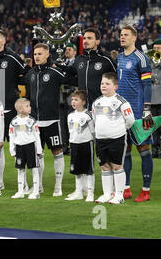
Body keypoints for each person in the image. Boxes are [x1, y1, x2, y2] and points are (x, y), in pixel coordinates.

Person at [0, 29, 30, 190]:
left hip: (9, 109)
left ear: (4, 41)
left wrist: (20, 93)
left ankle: (23, 183)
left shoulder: (12, 58)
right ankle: (0, 182)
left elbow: (28, 74)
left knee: (18, 145)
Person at [24, 43, 73, 197]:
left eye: (40, 54)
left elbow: (73, 79)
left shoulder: (55, 72)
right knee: (37, 154)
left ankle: (58, 187)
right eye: (35, 54)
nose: (36, 57)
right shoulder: (30, 73)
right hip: (34, 121)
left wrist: (62, 67)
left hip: (52, 120)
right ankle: (38, 186)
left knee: (57, 152)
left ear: (47, 55)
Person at [117, 25, 155, 202]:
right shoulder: (118, 58)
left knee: (144, 149)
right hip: (121, 113)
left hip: (139, 112)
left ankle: (146, 190)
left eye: (126, 35)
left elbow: (147, 85)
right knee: (125, 149)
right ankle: (126, 188)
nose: (122, 37)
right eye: (121, 35)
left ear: (134, 37)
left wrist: (147, 109)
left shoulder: (141, 58)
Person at [92, 73, 135, 204]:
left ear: (115, 86)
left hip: (117, 139)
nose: (103, 86)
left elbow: (130, 121)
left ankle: (119, 195)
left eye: (107, 84)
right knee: (104, 166)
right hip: (100, 139)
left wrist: (118, 130)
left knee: (117, 166)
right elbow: (95, 119)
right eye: (102, 83)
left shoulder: (122, 102)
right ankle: (107, 194)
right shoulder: (96, 102)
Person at [65, 90, 95, 202]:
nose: (73, 102)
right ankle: (78, 192)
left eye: (76, 100)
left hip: (87, 144)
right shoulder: (70, 116)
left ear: (83, 102)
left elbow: (93, 131)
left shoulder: (88, 115)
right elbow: (70, 131)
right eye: (72, 99)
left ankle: (90, 192)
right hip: (74, 145)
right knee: (76, 170)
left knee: (88, 170)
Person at [9, 98, 42, 200]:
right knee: (20, 169)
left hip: (31, 146)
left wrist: (39, 149)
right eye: (27, 106)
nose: (30, 108)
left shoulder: (32, 121)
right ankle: (20, 191)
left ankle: (36, 192)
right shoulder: (14, 121)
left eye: (29, 106)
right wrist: (12, 149)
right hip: (19, 147)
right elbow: (12, 136)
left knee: (34, 169)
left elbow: (37, 135)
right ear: (20, 109)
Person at [59, 43, 78, 156]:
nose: (67, 51)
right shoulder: (61, 63)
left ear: (75, 52)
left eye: (69, 49)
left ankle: (74, 145)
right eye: (66, 49)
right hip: (61, 97)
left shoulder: (77, 64)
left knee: (72, 122)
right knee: (63, 123)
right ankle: (64, 146)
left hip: (72, 96)